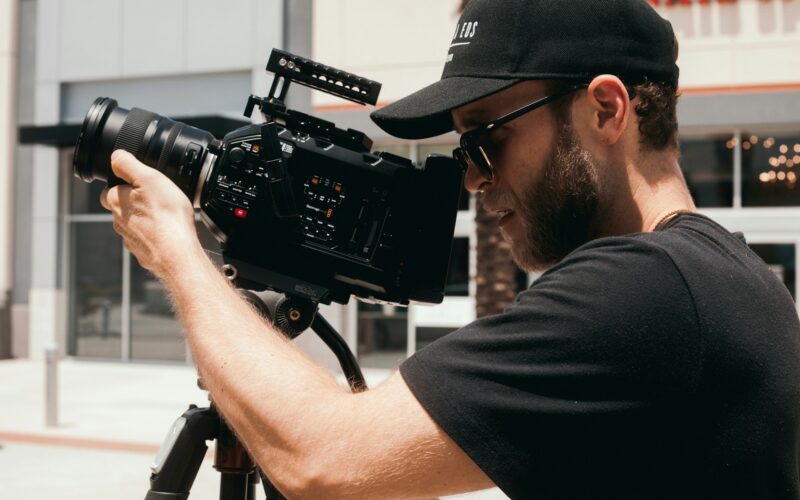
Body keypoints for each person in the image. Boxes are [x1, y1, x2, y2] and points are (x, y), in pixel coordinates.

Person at [99, 0, 800, 498]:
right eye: (464, 150)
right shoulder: (726, 275)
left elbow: (321, 458)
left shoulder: (644, 290)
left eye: (486, 137)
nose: (471, 176)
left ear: (605, 110)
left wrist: (179, 253)